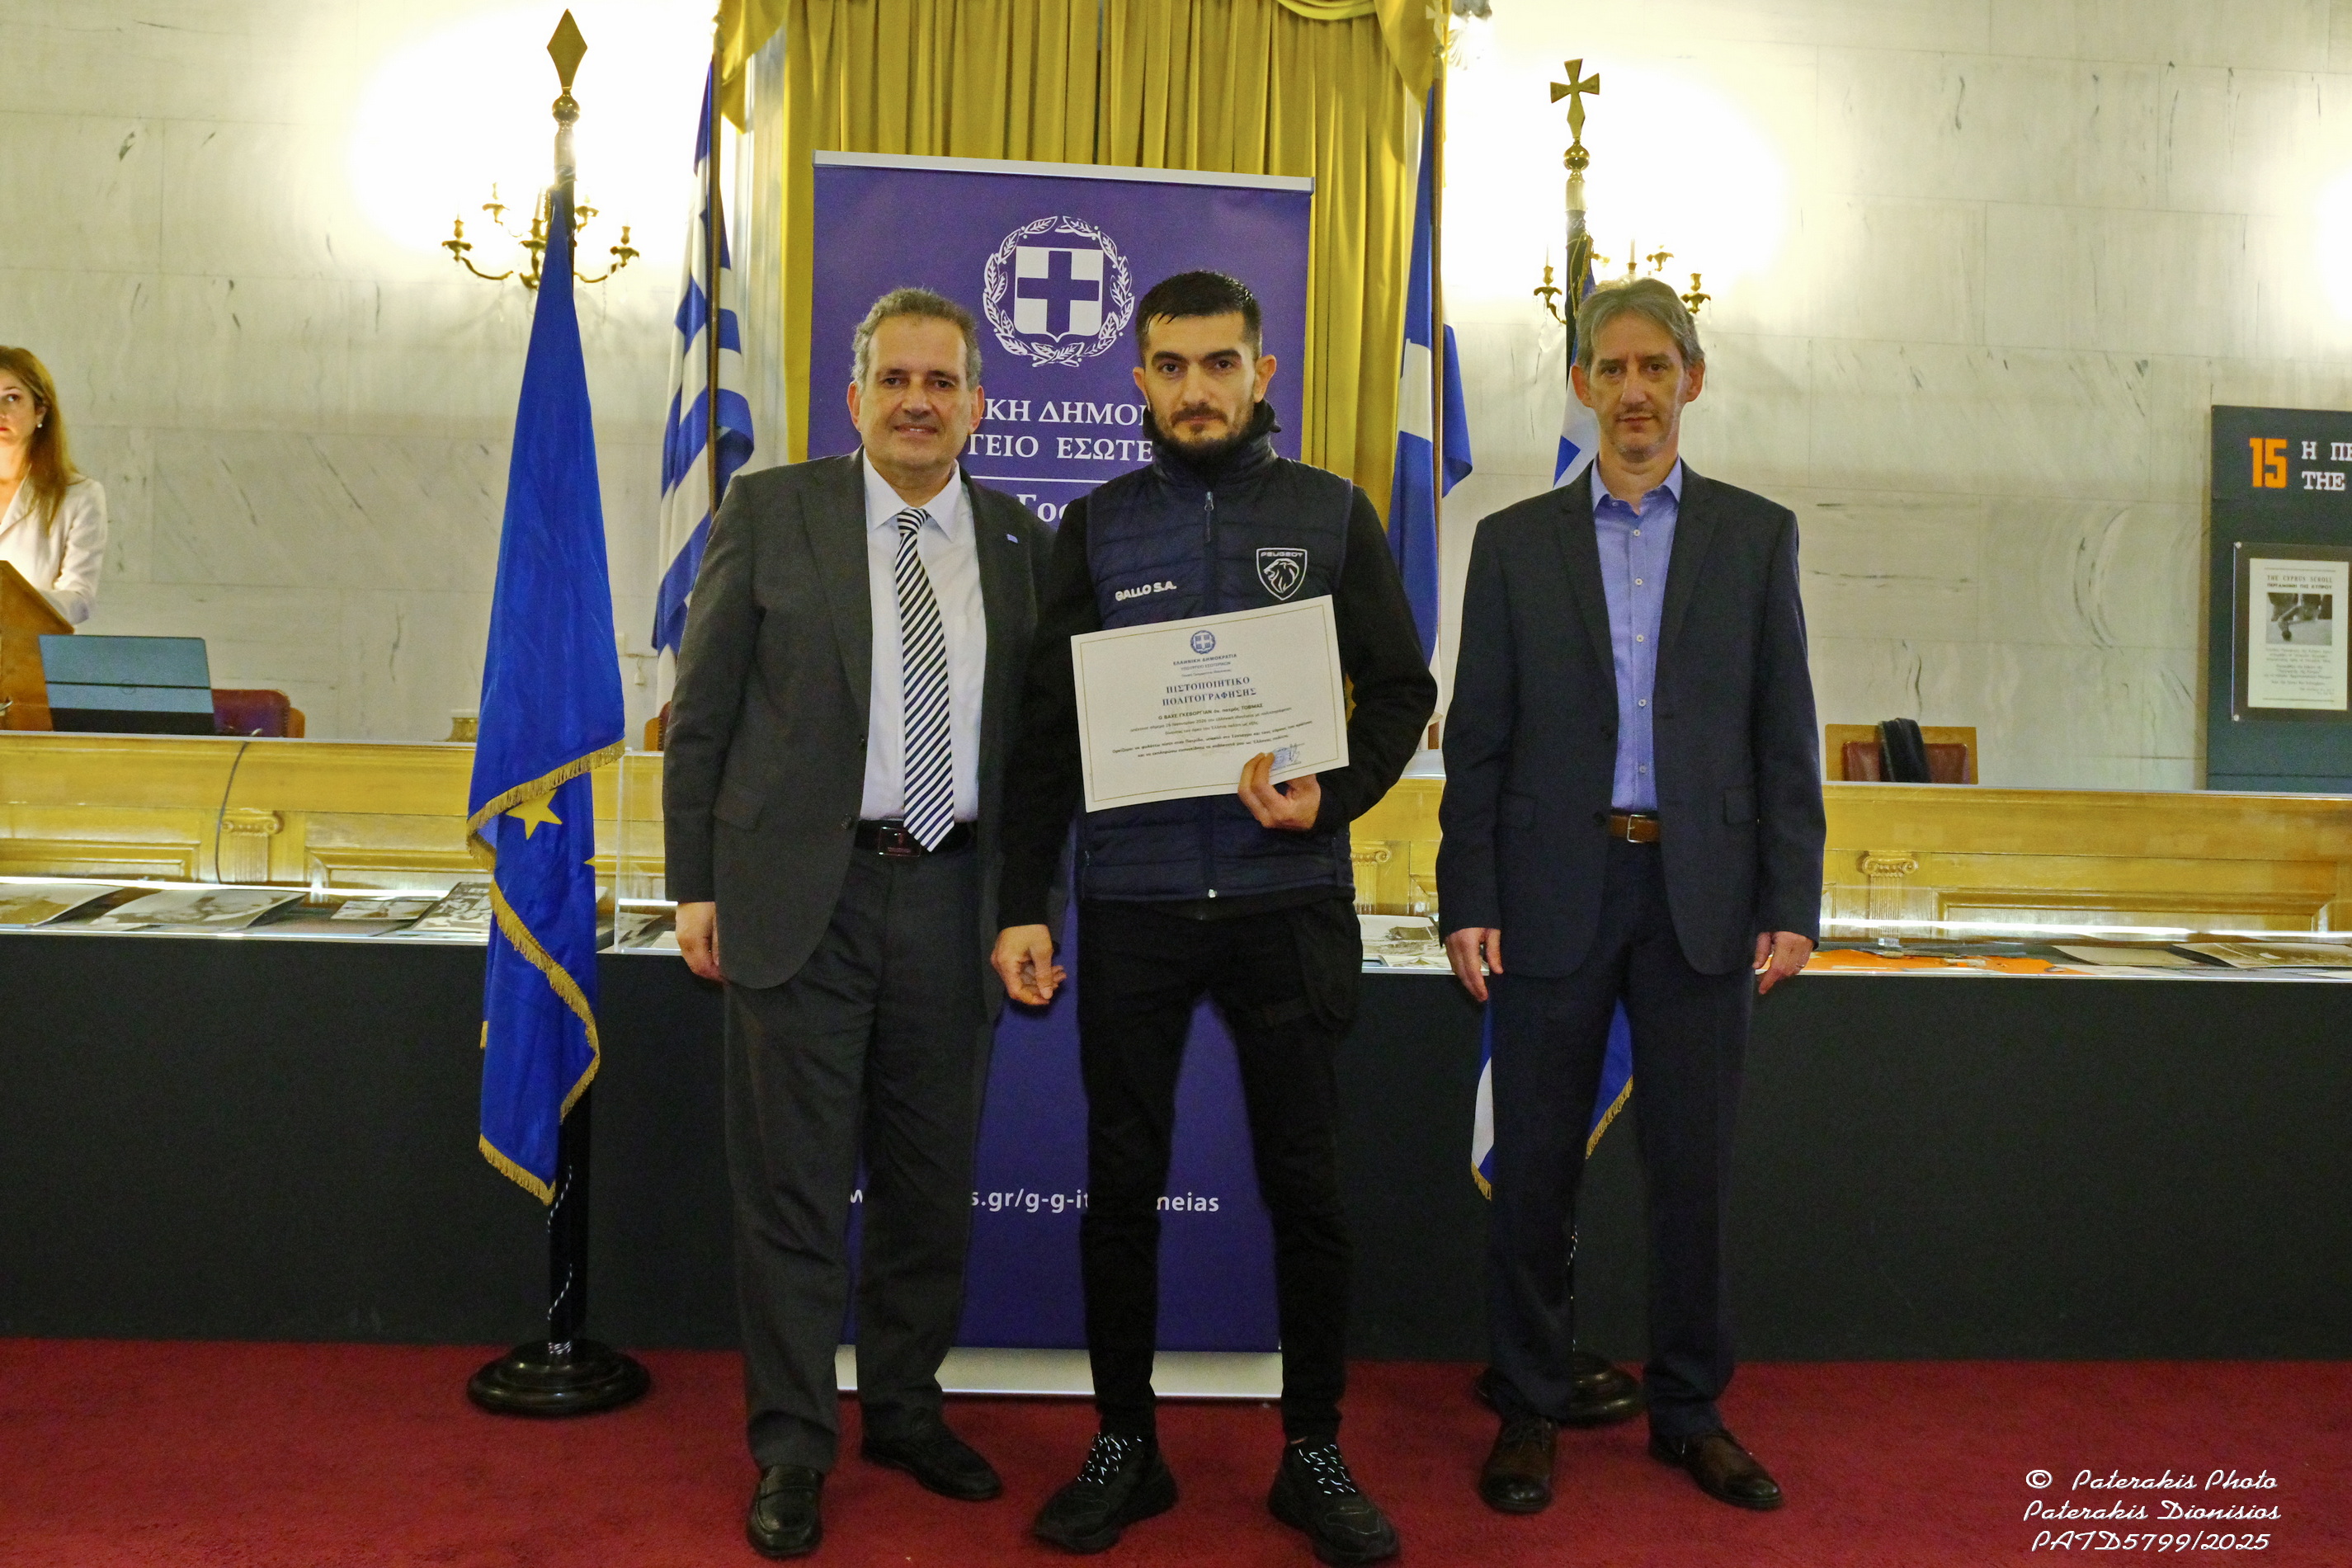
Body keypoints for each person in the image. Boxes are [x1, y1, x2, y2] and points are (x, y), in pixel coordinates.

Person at [994, 271, 1436, 1565]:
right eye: (1172, 367)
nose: (1196, 390)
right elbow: (1044, 737)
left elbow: (1400, 690)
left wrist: (1330, 797)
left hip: (1283, 904)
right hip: (1130, 905)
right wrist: (1025, 903)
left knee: (1307, 1189)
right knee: (1118, 1185)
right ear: (1137, 378)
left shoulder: (1330, 514)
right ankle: (1124, 1445)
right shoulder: (1095, 526)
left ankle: (1313, 1450)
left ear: (1261, 374)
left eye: (1220, 364)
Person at [663, 288, 1050, 1559]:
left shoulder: (1020, 541)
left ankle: (902, 1410)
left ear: (978, 404)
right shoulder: (769, 512)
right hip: (797, 902)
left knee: (929, 1189)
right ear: (854, 397)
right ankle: (790, 1444)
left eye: (940, 382)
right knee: (791, 1192)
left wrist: (1029, 904)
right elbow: (702, 714)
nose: (916, 402)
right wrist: (692, 882)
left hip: (954, 899)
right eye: (894, 379)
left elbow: (1041, 750)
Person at [1438, 276, 1824, 1517]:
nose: (1633, 391)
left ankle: (1690, 1412)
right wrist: (1465, 893)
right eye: (1610, 369)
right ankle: (1528, 1403)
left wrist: (1793, 894)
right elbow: (1478, 741)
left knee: (1691, 1176)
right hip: (1552, 889)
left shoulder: (1755, 536)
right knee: (1534, 1169)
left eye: (1656, 366)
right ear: (1580, 387)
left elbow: (1783, 732)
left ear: (1691, 381)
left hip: (1702, 896)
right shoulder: (1512, 544)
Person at [0, 346, 106, 624]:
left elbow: (79, 598)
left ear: (40, 411)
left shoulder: (79, 495)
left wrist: (11, 601)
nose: (0, 411)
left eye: (12, 398)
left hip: (32, 647)